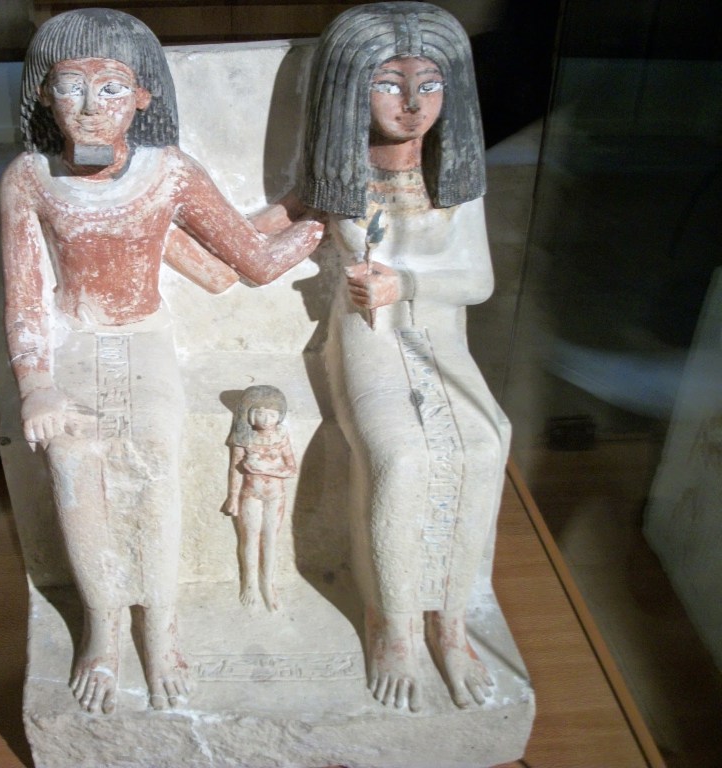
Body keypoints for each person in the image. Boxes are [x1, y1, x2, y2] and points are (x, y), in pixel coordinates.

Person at [0, 8, 322, 715]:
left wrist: (319, 213)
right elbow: (25, 297)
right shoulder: (29, 177)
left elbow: (251, 262)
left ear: (144, 96)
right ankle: (105, 626)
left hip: (143, 337)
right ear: (44, 96)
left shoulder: (168, 172)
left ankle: (162, 626)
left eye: (112, 88)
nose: (91, 107)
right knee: (71, 459)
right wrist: (36, 384)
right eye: (71, 87)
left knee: (152, 447)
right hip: (76, 339)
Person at [260, 2, 511, 711]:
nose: (411, 105)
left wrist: (410, 283)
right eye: (387, 85)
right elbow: (262, 235)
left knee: (485, 445)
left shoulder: (455, 179)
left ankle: (451, 622)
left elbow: (478, 280)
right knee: (400, 456)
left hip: (439, 333)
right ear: (349, 90)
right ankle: (393, 622)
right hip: (367, 337)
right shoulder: (339, 181)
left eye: (428, 85)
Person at [223, 385, 297, 612]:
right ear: (249, 415)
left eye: (272, 414)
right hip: (250, 495)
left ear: (280, 416)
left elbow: (291, 469)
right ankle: (250, 583)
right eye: (260, 413)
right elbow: (235, 470)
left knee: (270, 540)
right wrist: (232, 497)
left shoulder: (281, 436)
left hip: (276, 496)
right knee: (250, 539)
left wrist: (263, 467)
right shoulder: (244, 437)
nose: (266, 420)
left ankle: (268, 583)